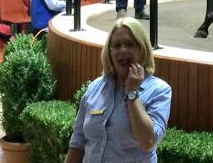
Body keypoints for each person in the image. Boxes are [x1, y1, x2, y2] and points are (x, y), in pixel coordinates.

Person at [66, 18, 170, 163]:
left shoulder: (159, 90)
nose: (123, 50)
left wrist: (132, 93)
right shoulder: (95, 88)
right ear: (109, 51)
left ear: (142, 48)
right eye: (116, 45)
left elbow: (149, 142)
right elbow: (78, 143)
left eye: (129, 44)